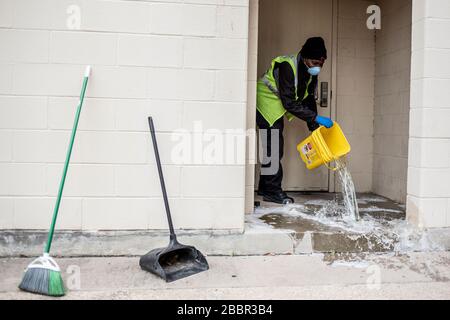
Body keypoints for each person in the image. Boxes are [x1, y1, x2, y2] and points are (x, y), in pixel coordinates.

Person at [256, 37, 334, 204]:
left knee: (273, 146)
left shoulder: (310, 73)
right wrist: (315, 117)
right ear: (305, 57)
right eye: (314, 63)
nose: (317, 67)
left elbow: (308, 99)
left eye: (321, 64)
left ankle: (265, 186)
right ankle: (272, 191)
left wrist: (314, 126)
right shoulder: (287, 66)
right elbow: (289, 103)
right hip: (267, 101)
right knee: (274, 146)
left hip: (279, 101)